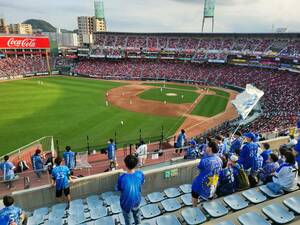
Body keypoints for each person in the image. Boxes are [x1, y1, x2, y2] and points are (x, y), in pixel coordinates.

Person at [191, 141, 222, 207]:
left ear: (210, 149)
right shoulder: (219, 159)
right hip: (213, 183)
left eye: (207, 146)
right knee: (210, 194)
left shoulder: (205, 160)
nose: (206, 147)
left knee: (194, 193)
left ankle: (194, 207)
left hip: (201, 184)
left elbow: (199, 170)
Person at [117, 155, 145, 225]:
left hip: (125, 204)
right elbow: (142, 182)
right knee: (137, 217)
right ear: (135, 165)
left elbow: (119, 188)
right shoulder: (140, 174)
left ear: (125, 165)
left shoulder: (122, 178)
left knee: (128, 221)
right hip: (136, 201)